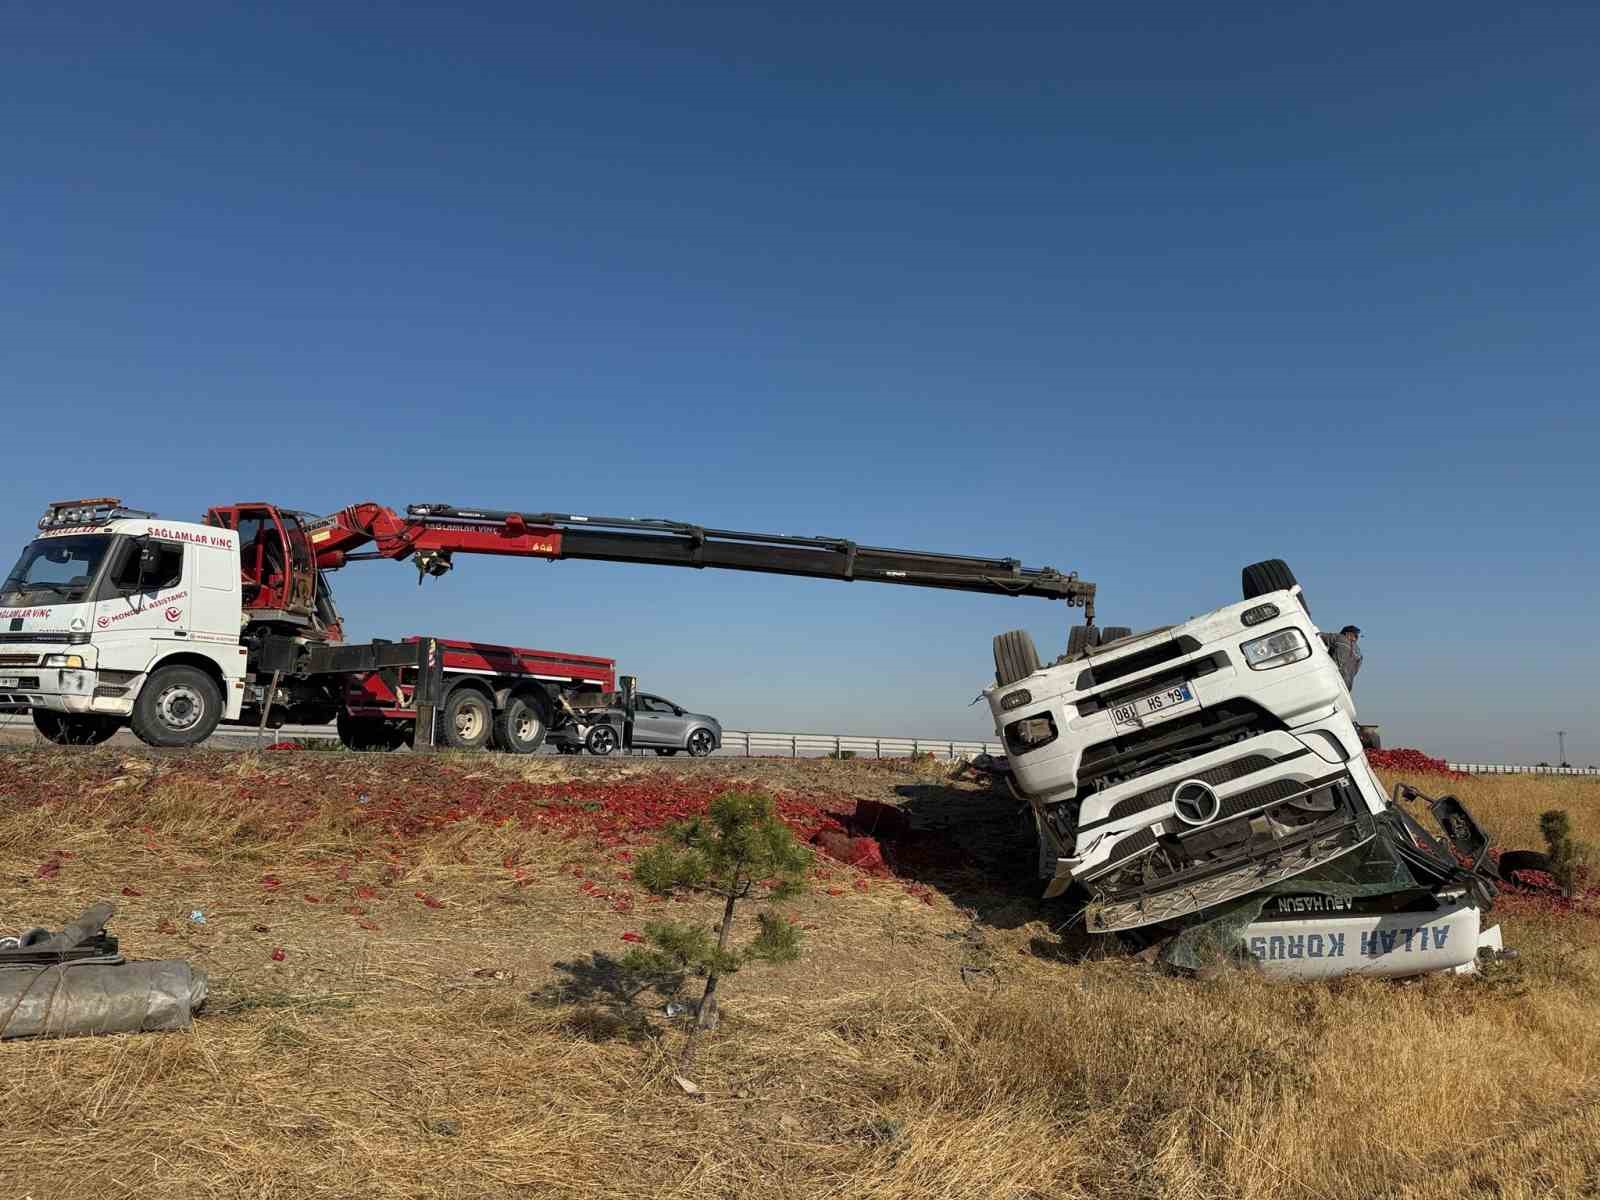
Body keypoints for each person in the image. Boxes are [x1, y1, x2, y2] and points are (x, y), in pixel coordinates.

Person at [1326, 625, 1362, 692]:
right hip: (1347, 686)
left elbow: (1319, 636)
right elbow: (1354, 671)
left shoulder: (1340, 638)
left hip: (1333, 678)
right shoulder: (1359, 654)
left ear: (1347, 634)